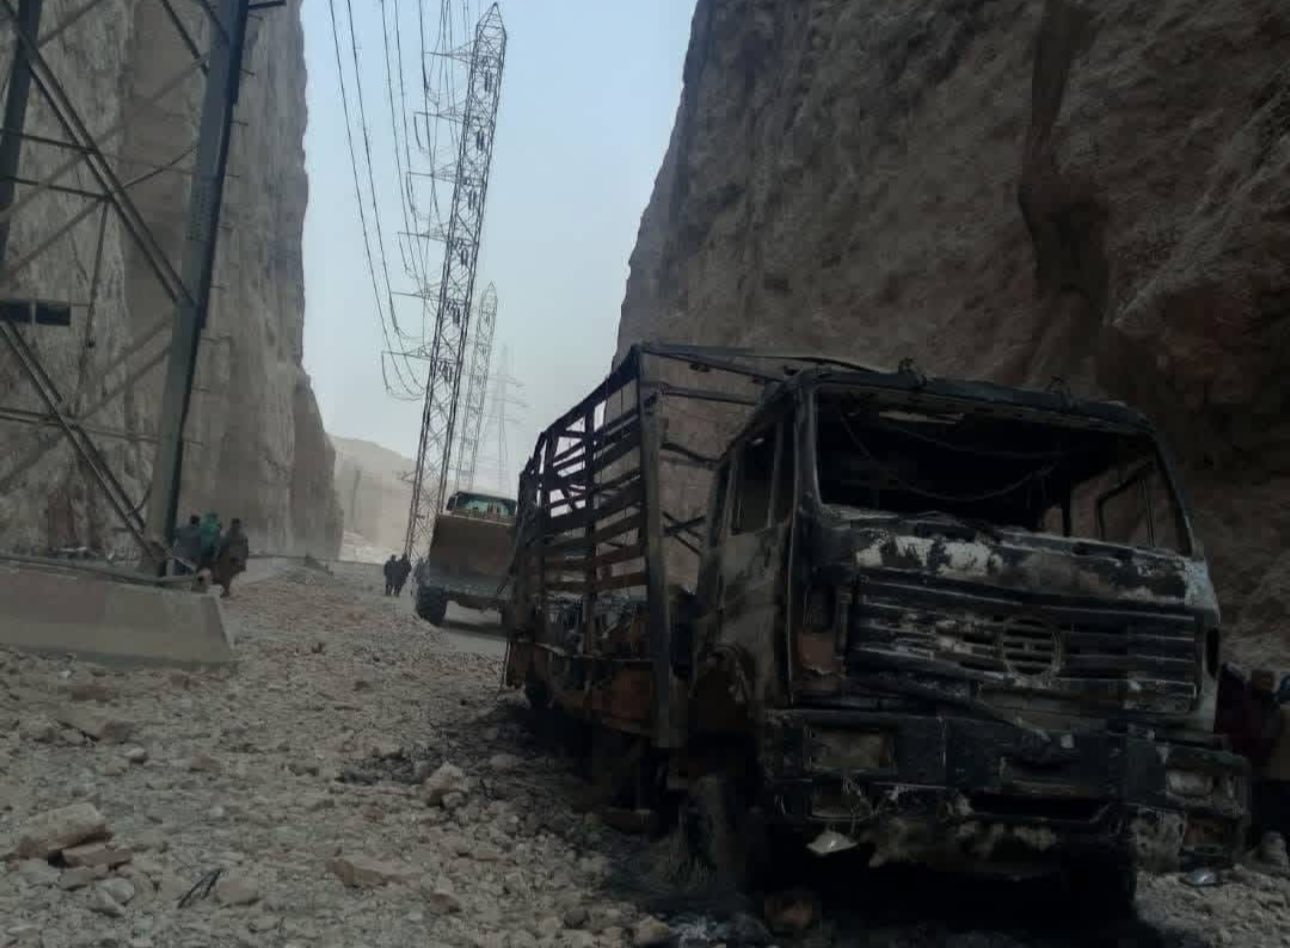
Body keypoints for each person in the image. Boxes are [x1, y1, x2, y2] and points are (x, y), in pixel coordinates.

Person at [212, 518, 249, 599]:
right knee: (229, 575)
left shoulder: (228, 534)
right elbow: (246, 549)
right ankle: (227, 590)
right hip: (238, 560)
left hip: (230, 558)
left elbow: (221, 545)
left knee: (226, 575)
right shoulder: (242, 535)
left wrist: (216, 557)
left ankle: (226, 591)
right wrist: (245, 558)